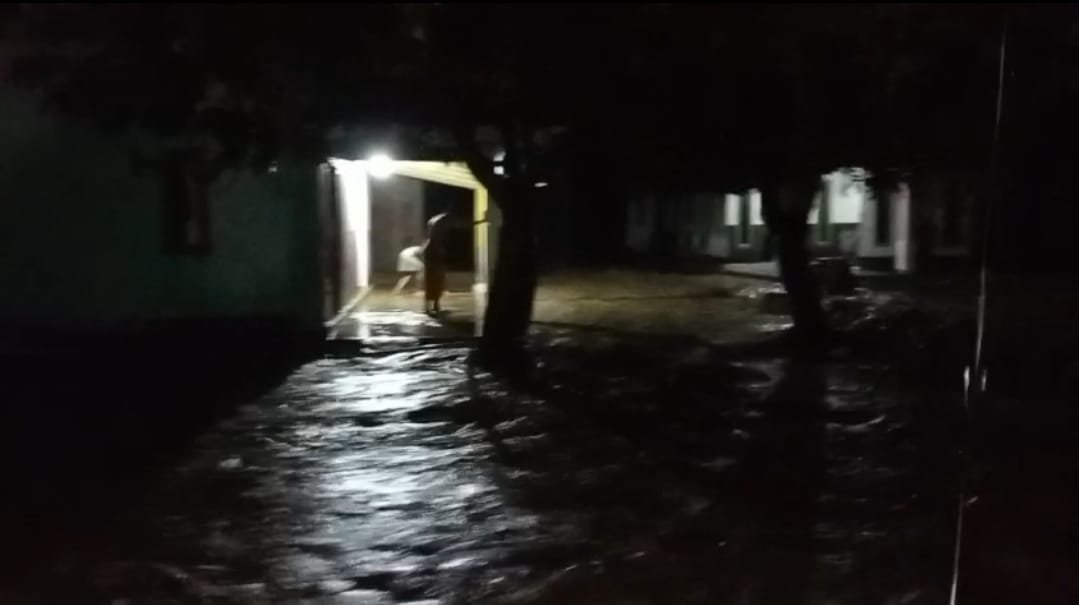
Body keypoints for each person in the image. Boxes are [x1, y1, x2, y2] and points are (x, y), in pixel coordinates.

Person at [423, 210, 452, 315]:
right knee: (435, 283)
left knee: (433, 283)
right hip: (434, 262)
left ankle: (433, 305)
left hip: (433, 261)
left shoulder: (434, 222)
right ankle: (434, 305)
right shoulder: (439, 223)